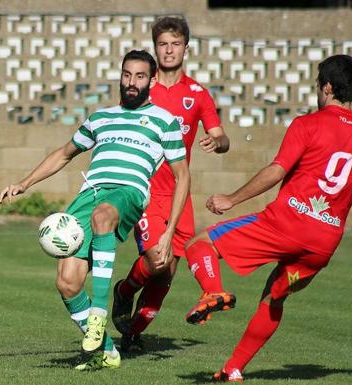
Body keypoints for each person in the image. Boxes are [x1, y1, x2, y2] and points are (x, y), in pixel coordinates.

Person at [183, 54, 352, 382]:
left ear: (326, 87)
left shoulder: (308, 123)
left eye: (317, 83)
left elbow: (276, 170)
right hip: (322, 245)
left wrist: (232, 198)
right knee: (274, 295)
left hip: (284, 225)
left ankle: (212, 290)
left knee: (199, 243)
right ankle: (234, 369)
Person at [0, 50, 190, 370]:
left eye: (140, 76)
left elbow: (183, 176)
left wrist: (169, 233)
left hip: (128, 192)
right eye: (127, 75)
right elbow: (64, 154)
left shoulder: (165, 122)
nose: (131, 82)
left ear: (152, 80)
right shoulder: (100, 118)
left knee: (103, 215)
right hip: (89, 193)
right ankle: (107, 351)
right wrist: (24, 183)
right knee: (68, 283)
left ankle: (99, 313)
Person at [111, 16, 230, 351]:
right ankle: (124, 291)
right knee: (155, 260)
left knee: (165, 274)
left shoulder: (198, 94)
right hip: (146, 191)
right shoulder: (141, 90)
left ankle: (131, 334)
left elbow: (222, 138)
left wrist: (216, 142)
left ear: (186, 48)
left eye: (175, 44)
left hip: (179, 194)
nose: (168, 50)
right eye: (162, 44)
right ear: (155, 48)